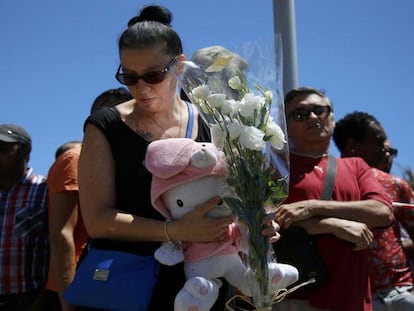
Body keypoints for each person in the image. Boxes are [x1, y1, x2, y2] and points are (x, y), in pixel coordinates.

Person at [76, 5, 262, 310]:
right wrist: (174, 232)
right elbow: (96, 221)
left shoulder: (214, 120)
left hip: (202, 288)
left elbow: (235, 196)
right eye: (129, 77)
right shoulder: (104, 127)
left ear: (180, 65)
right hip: (128, 289)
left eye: (153, 75)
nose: (141, 88)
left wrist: (255, 222)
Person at [271, 87, 393, 311]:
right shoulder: (275, 167)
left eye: (320, 110)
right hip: (296, 299)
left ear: (332, 118)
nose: (313, 117)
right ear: (285, 126)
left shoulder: (356, 166)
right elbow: (266, 223)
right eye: (300, 113)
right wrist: (331, 225)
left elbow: (382, 212)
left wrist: (313, 207)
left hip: (353, 299)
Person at [45, 89, 134, 311]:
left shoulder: (123, 161)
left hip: (116, 281)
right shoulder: (76, 159)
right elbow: (62, 235)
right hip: (83, 285)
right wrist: (69, 301)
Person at [333, 111, 414, 311]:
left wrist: (394, 250)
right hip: (352, 296)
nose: (385, 148)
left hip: (400, 291)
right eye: (378, 141)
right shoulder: (328, 180)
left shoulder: (394, 184)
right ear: (352, 145)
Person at [0, 123, 49, 311]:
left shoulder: (45, 190)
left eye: (3, 149)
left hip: (31, 299)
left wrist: (44, 298)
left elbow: (60, 244)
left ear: (25, 151)